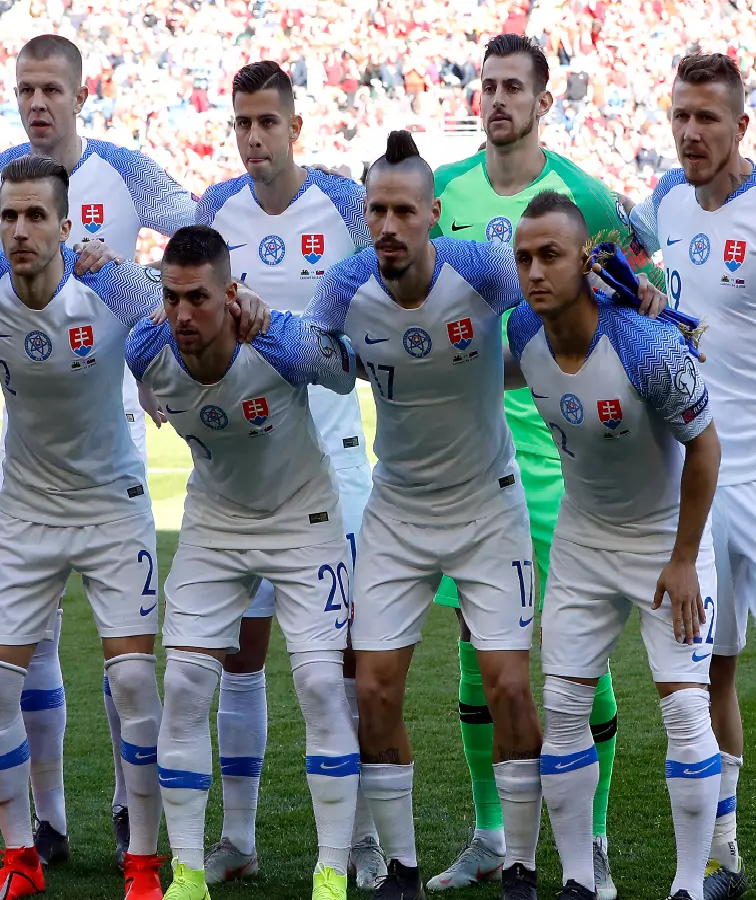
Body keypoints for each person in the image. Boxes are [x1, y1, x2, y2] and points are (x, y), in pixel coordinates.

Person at [0, 154, 214, 900]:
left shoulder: (109, 287)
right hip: (26, 511)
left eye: (36, 217)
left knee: (131, 676)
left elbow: (186, 310)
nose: (21, 230)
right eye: (9, 217)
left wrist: (161, 384)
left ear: (67, 226)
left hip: (110, 504)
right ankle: (21, 860)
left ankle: (146, 864)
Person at [427, 35, 657, 894]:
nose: (495, 99)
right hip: (468, 463)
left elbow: (647, 278)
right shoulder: (446, 193)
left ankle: (589, 836)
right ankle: (491, 832)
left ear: (542, 101)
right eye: (486, 85)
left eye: (512, 87)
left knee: (572, 656)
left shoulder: (584, 195)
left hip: (563, 459)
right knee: (474, 645)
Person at [304, 130, 545, 900]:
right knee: (373, 687)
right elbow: (312, 359)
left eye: (403, 210)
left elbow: (551, 301)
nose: (387, 226)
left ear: (433, 214)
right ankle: (402, 871)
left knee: (508, 684)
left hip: (487, 504)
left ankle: (522, 865)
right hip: (398, 510)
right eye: (375, 209)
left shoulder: (479, 270)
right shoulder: (344, 288)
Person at [125, 224, 361, 900]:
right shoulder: (149, 346)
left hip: (302, 515)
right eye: (171, 299)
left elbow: (346, 370)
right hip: (216, 520)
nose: (182, 315)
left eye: (198, 298)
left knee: (320, 686)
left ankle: (332, 873)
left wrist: (283, 326)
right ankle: (189, 873)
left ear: (231, 295)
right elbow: (144, 361)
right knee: (185, 686)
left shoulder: (276, 343)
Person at [191, 60, 381, 890]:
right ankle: (237, 838)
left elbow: (396, 284)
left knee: (337, 664)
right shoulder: (215, 212)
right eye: (242, 123)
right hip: (242, 474)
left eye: (267, 122)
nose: (254, 138)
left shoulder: (342, 205)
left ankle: (364, 842)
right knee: (240, 656)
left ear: (295, 126)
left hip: (333, 468)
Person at [627, 52, 756, 900]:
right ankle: (727, 854)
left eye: (708, 118)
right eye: (681, 116)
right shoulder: (662, 201)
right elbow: (623, 265)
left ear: (742, 125)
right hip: (694, 473)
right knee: (711, 668)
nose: (691, 132)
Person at [508, 190, 722, 900]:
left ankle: (689, 884)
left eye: (550, 256)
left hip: (667, 542)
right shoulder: (519, 332)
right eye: (524, 258)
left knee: (686, 709)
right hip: (583, 539)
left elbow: (706, 448)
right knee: (564, 707)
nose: (535, 272)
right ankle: (578, 880)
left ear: (583, 263)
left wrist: (687, 558)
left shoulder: (647, 346)